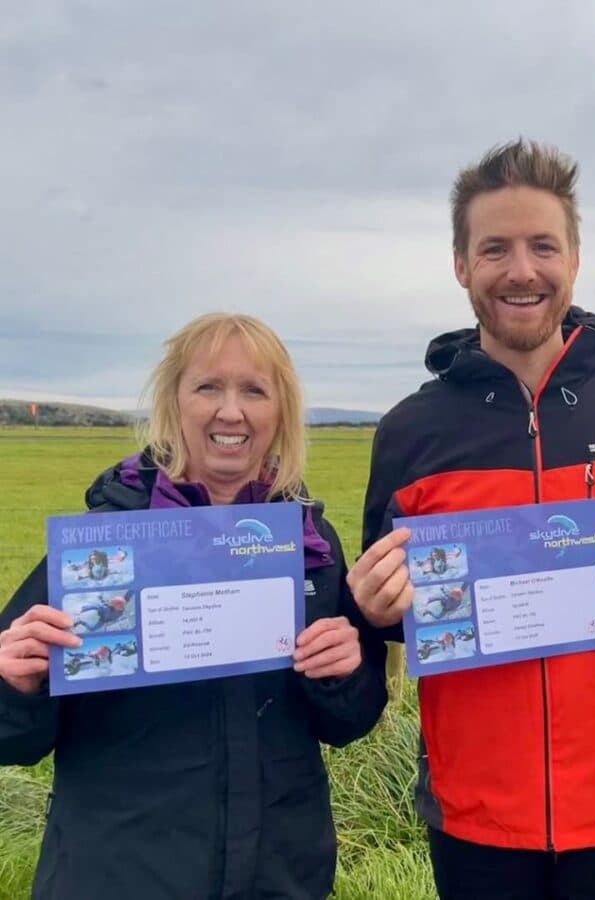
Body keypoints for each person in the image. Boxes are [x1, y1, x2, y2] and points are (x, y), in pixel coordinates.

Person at [347, 139, 595, 900]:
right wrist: (373, 609)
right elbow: (398, 617)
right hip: (476, 818)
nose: (521, 270)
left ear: (575, 258)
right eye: (494, 248)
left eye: (542, 246)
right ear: (462, 265)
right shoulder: (411, 431)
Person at [0, 313, 388, 900]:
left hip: (277, 876)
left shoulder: (310, 546)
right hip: (117, 876)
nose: (230, 412)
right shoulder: (102, 548)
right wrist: (16, 684)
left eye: (254, 390)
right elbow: (15, 741)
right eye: (208, 387)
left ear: (280, 411)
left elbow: (347, 725)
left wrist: (346, 673)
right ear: (173, 402)